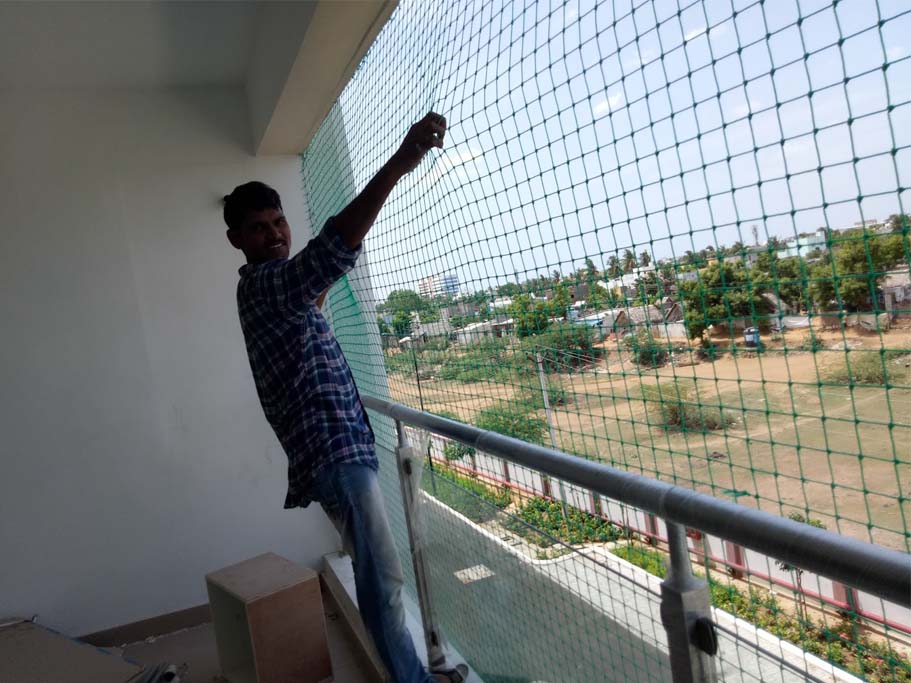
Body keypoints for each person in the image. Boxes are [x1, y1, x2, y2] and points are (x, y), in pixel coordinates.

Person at [224, 113, 466, 683]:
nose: (275, 232)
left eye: (279, 221)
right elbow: (329, 251)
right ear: (236, 239)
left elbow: (317, 277)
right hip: (335, 454)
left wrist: (321, 277)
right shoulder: (263, 286)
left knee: (379, 575)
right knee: (382, 580)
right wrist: (400, 165)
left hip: (340, 450)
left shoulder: (283, 295)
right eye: (258, 227)